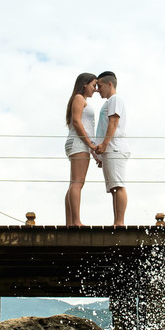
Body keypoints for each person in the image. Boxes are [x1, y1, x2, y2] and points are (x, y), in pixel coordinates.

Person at [92, 70, 129, 226]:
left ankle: (119, 222)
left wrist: (105, 144)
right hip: (109, 150)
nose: (97, 90)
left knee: (118, 185)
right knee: (113, 187)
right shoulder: (109, 102)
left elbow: (113, 122)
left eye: (99, 86)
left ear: (109, 84)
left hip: (114, 148)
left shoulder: (115, 100)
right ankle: (117, 221)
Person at [64, 72, 98, 226]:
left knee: (74, 184)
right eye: (93, 85)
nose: (95, 89)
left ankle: (70, 222)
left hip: (78, 143)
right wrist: (90, 144)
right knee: (78, 183)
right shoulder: (79, 98)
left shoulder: (80, 99)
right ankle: (76, 221)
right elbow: (77, 122)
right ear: (85, 84)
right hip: (79, 143)